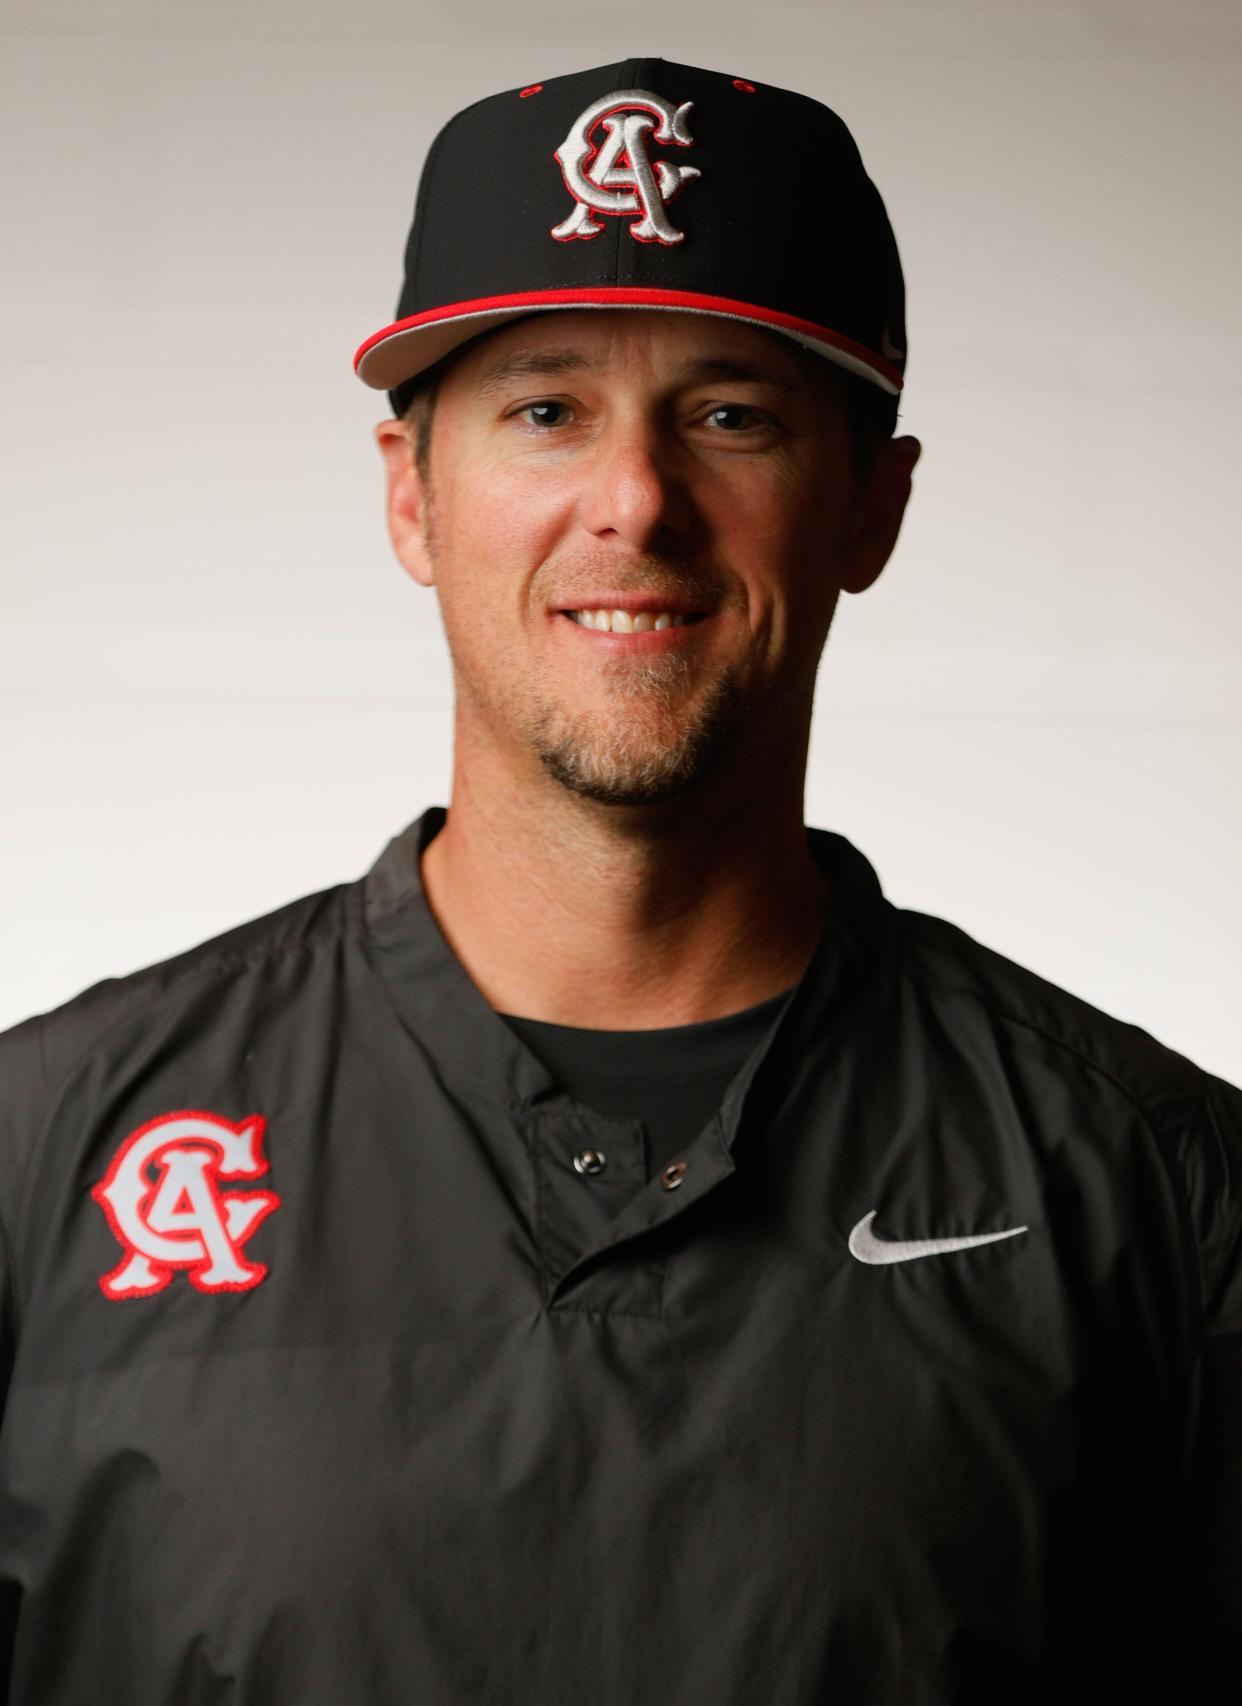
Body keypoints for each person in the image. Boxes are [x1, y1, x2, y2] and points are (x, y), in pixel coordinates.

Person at [0, 54, 1237, 1706]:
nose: (635, 501)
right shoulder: (45, 1150)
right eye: (543, 409)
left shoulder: (1152, 1194)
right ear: (409, 495)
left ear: (870, 504)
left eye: (730, 413)